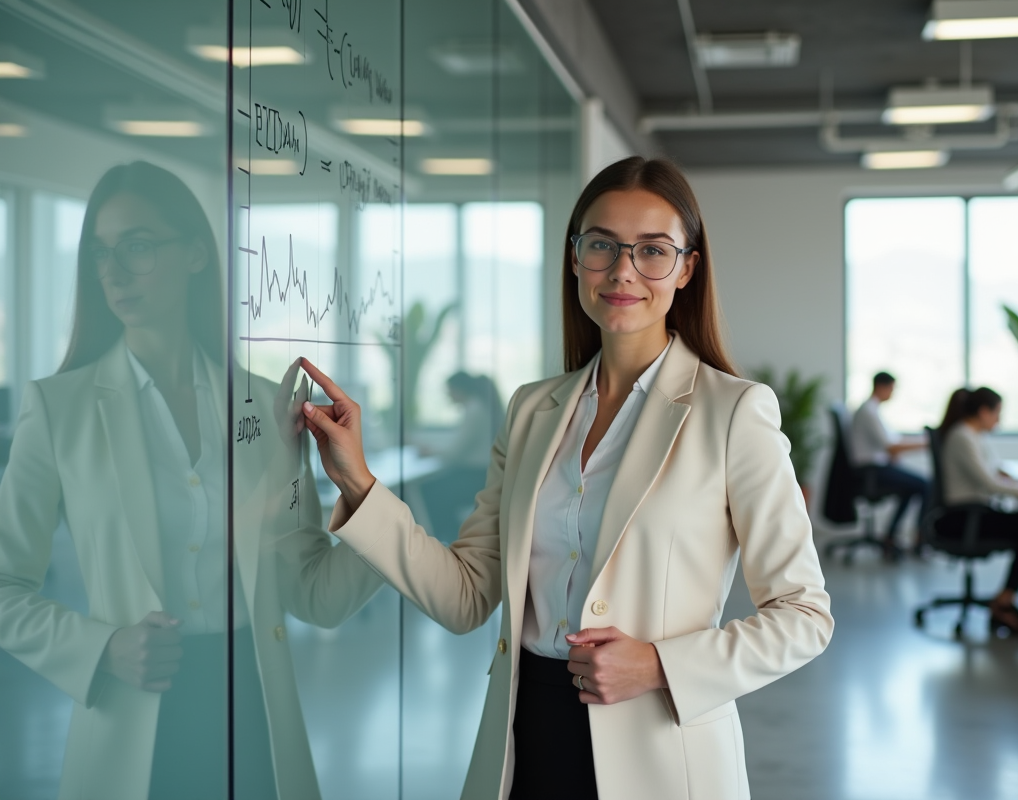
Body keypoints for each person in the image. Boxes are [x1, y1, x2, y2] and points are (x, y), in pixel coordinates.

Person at [298, 156, 834, 800]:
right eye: (602, 245)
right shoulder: (533, 410)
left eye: (653, 251)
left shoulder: (734, 412)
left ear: (687, 267)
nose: (623, 270)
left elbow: (804, 616)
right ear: (575, 257)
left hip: (661, 745)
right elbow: (467, 596)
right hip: (527, 736)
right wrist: (358, 482)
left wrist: (661, 665)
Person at [0, 161, 382, 799]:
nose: (113, 271)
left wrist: (368, 500)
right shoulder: (57, 410)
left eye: (138, 246)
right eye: (100, 253)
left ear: (197, 255)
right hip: (133, 711)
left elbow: (316, 596)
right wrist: (104, 648)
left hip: (254, 711)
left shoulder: (267, 408)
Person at [936, 387, 1018, 635]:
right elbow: (989, 484)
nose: (999, 420)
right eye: (997, 413)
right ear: (983, 412)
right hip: (964, 518)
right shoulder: (962, 437)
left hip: (973, 513)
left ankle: (1011, 599)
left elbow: (993, 470)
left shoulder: (974, 435)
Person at [418, 372, 506, 541]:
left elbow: (455, 454)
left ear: (459, 389)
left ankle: (447, 539)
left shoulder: (474, 409)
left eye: (449, 390)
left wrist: (430, 451)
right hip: (482, 473)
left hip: (476, 475)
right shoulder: (480, 407)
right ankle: (449, 537)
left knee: (429, 491)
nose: (447, 395)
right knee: (434, 488)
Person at [849, 371, 929, 552]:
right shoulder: (868, 412)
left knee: (912, 488)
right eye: (891, 389)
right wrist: (925, 444)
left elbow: (889, 444)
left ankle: (891, 535)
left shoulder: (872, 410)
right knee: (924, 485)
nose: (892, 394)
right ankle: (920, 539)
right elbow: (891, 447)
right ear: (882, 387)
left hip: (875, 468)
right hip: (871, 471)